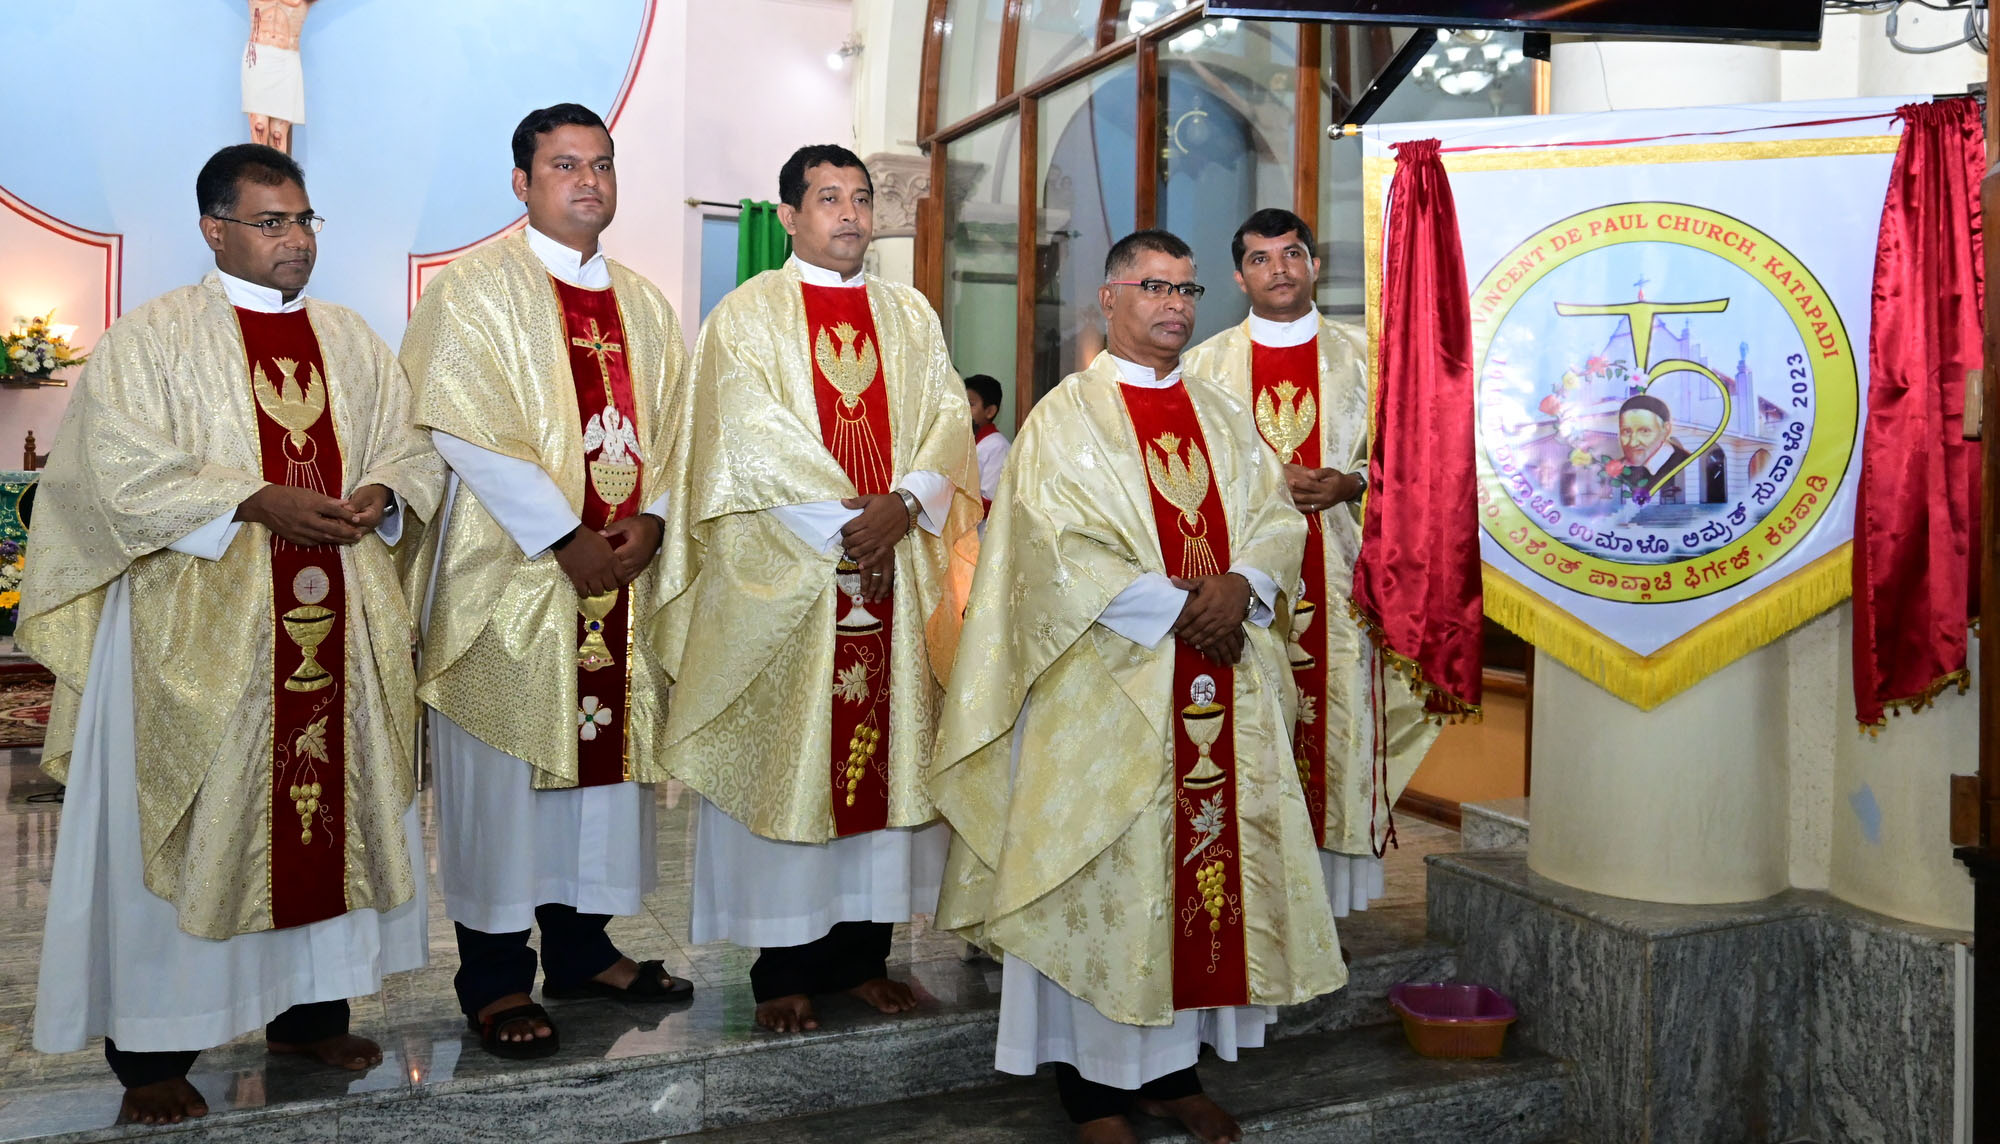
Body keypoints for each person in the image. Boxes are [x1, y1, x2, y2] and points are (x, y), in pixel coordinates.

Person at [18, 143, 443, 1124]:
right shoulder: (153, 337)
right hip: (199, 638)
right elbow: (112, 469)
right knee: (199, 822)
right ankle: (153, 1047)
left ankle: (308, 1013)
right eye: (270, 222)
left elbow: (408, 443)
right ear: (215, 229)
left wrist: (383, 492)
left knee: (320, 812)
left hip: (333, 630)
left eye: (303, 221)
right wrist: (251, 499)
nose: (295, 240)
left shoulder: (348, 338)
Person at [932, 229, 1338, 1144]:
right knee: (1104, 887)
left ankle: (1171, 1074)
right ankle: (1092, 1092)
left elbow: (1274, 517)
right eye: (1154, 287)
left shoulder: (1223, 412)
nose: (1175, 306)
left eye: (1187, 290)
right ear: (1109, 299)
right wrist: (1184, 605)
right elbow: (1051, 552)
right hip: (1104, 692)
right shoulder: (1066, 417)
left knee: (1195, 886)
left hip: (1217, 683)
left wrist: (1243, 586)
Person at [660, 144, 981, 1035]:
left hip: (894, 570)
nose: (849, 213)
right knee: (790, 770)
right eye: (828, 198)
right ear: (790, 217)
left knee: (884, 771)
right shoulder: (747, 316)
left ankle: (862, 960)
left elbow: (946, 418)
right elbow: (740, 440)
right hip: (791, 581)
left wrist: (905, 505)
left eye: (861, 198)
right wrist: (847, 527)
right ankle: (782, 969)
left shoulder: (908, 313)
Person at [400, 103, 694, 1060]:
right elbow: (460, 425)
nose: (589, 182)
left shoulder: (644, 305)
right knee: (504, 784)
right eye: (565, 165)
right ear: (521, 183)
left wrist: (654, 520)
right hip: (513, 582)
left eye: (601, 164)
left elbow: (683, 435)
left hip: (621, 575)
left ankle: (582, 950)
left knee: (597, 788)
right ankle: (493, 977)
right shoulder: (472, 292)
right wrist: (565, 536)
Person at [1181, 208, 1438, 916]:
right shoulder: (1203, 366)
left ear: (1315, 265)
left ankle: (1327, 903)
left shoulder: (1369, 358)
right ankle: (1259, 893)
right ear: (1240, 277)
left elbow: (1419, 457)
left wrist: (1353, 483)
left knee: (1340, 724)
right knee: (1253, 727)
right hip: (1248, 580)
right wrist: (1268, 484)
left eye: (1292, 254)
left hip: (1348, 578)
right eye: (1260, 259)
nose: (1279, 269)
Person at [242, 0, 315, 154]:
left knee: (278, 136)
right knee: (259, 127)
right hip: (257, 55)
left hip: (286, 59)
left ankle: (279, 170)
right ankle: (259, 169)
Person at [1615, 394, 1689, 500]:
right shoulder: (1616, 468)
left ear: (1666, 429)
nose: (1633, 443)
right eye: (1626, 431)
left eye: (1644, 431)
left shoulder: (1684, 462)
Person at [964, 373, 1011, 517]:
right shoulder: (969, 442)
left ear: (990, 411)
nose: (963, 408)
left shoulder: (998, 447)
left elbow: (991, 501)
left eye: (971, 404)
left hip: (981, 528)